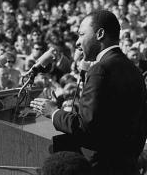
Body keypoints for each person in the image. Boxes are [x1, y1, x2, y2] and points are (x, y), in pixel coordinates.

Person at [30, 10, 147, 175]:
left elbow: (86, 126)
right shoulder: (133, 69)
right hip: (128, 165)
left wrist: (53, 112)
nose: (77, 43)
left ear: (99, 34)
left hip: (102, 168)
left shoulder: (100, 69)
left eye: (81, 34)